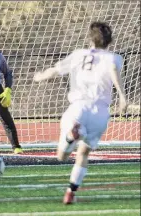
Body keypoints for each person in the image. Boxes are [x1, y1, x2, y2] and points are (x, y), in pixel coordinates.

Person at [33, 21, 127, 204]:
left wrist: (40, 77)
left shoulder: (78, 54)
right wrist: (122, 96)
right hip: (100, 113)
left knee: (62, 156)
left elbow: (55, 71)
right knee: (83, 153)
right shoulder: (114, 58)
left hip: (78, 107)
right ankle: (71, 192)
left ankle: (71, 136)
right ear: (110, 41)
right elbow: (113, 70)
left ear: (90, 38)